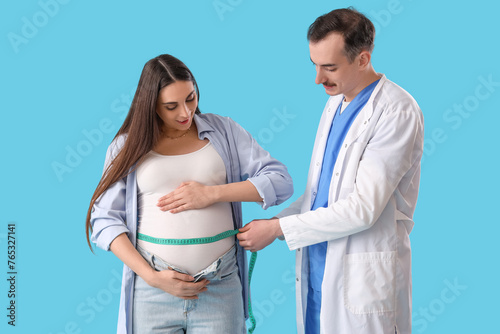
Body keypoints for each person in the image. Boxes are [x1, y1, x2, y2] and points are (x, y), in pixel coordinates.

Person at [237, 7, 424, 334]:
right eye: (315, 65)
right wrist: (276, 222)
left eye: (330, 67)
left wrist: (279, 230)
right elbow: (318, 194)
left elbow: (363, 209)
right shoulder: (335, 103)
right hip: (318, 268)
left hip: (362, 280)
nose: (318, 79)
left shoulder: (397, 111)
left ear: (363, 59)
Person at [85, 54, 293, 334]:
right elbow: (104, 219)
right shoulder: (126, 146)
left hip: (219, 285)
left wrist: (212, 194)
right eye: (171, 106)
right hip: (152, 292)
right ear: (150, 106)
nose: (185, 113)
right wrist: (153, 277)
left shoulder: (224, 131)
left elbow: (280, 182)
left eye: (191, 98)